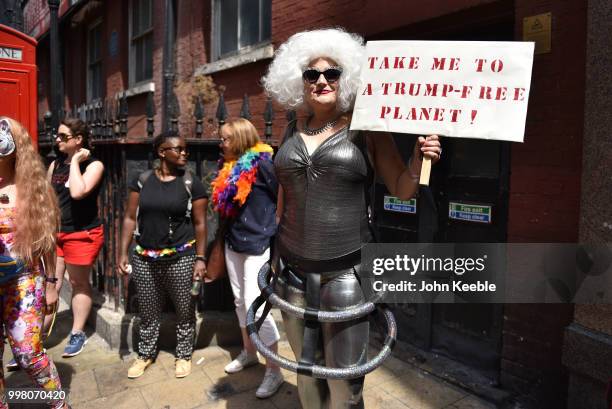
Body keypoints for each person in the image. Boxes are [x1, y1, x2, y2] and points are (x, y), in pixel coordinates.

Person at [261, 28, 441, 408]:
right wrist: (274, 249)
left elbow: (404, 188)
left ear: (347, 79)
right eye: (312, 74)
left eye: (333, 73)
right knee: (307, 378)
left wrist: (419, 161)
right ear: (300, 81)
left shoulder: (367, 130)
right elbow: (284, 195)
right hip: (291, 270)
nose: (322, 80)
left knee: (344, 387)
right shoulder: (292, 128)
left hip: (346, 272)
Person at [118, 131, 207, 379]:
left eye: (185, 149)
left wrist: (200, 258)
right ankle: (145, 354)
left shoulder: (191, 182)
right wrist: (122, 252)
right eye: (178, 149)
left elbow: (200, 224)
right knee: (147, 310)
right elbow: (128, 217)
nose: (184, 153)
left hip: (181, 257)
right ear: (161, 152)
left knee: (184, 309)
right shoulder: (142, 180)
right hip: (144, 257)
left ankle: (184, 354)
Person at [211, 118, 283, 398]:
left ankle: (274, 370)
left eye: (225, 139)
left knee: (258, 305)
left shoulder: (263, 164)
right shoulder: (227, 166)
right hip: (233, 242)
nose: (221, 143)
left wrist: (273, 230)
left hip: (257, 242)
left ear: (240, 139)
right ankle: (249, 352)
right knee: (240, 300)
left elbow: (282, 198)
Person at [0, 117, 69, 408]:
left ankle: (58, 404)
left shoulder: (32, 188)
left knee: (28, 353)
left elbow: (48, 242)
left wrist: (52, 285)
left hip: (23, 279)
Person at [45, 118, 104, 358]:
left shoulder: (94, 165)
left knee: (79, 283)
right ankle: (32, 341)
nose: (57, 139)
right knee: (51, 284)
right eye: (57, 135)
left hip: (81, 234)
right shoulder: (54, 164)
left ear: (78, 140)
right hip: (56, 233)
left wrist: (76, 161)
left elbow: (78, 192)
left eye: (63, 136)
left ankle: (77, 333)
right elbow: (48, 198)